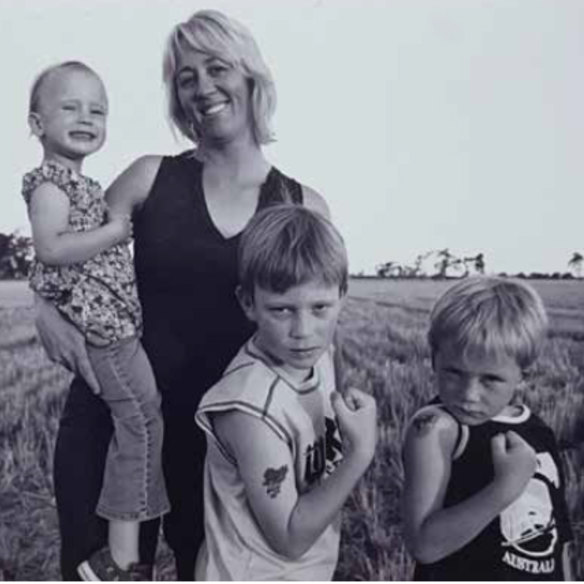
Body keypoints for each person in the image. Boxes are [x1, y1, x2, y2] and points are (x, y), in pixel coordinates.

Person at [34, 10, 330, 580]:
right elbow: (62, 249)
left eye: (216, 68)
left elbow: (318, 336)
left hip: (227, 442)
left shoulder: (302, 205)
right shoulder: (149, 177)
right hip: (116, 421)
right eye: (185, 77)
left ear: (250, 77)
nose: (201, 88)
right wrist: (44, 308)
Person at [22, 61, 169, 580]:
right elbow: (49, 248)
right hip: (105, 332)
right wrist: (114, 233)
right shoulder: (50, 186)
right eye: (70, 106)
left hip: (115, 326)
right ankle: (120, 558)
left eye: (97, 109)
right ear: (37, 124)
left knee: (141, 422)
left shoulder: (80, 184)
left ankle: (123, 552)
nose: (86, 117)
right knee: (142, 424)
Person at [194, 204, 378, 580]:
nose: (303, 330)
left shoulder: (320, 354)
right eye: (281, 310)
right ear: (248, 303)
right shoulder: (250, 409)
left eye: (320, 307)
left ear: (342, 296)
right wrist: (360, 453)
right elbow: (290, 539)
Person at [402, 277, 573, 580]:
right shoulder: (435, 429)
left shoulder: (539, 432)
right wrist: (505, 487)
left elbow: (561, 539)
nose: (468, 395)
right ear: (433, 360)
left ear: (524, 374)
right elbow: (424, 545)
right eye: (454, 372)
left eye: (490, 380)